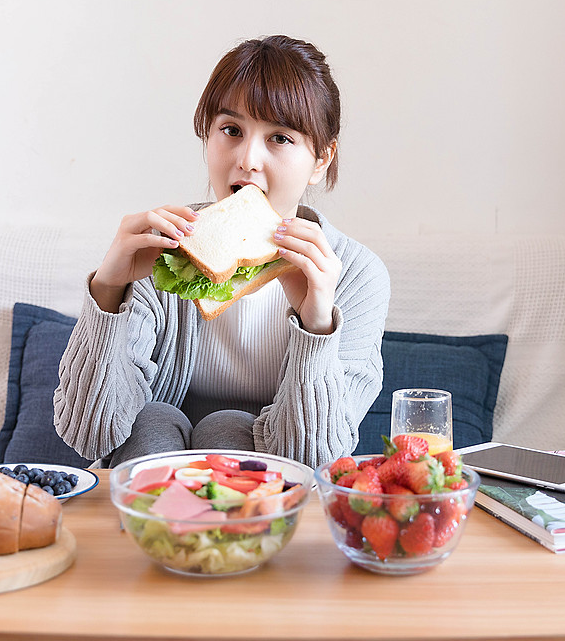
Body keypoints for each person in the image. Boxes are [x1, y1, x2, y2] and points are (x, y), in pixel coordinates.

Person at [53, 35, 390, 469]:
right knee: (152, 420)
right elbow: (88, 434)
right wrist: (108, 290)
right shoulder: (165, 248)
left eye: (280, 138)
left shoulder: (356, 274)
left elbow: (312, 459)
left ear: (322, 159)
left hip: (269, 507)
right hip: (148, 492)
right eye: (231, 130)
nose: (248, 159)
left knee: (231, 428)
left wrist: (317, 324)